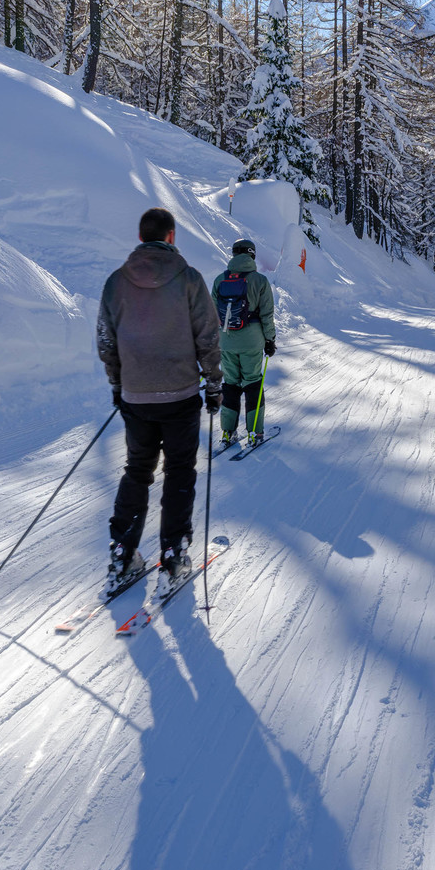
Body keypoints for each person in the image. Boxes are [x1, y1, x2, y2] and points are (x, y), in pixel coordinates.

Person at [96, 206, 221, 591]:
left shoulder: (116, 282)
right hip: (181, 394)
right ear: (170, 237)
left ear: (140, 238)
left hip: (136, 397)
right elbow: (208, 336)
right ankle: (173, 555)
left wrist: (118, 385)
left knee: (137, 470)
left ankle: (122, 554)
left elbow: (106, 340)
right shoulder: (188, 279)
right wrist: (214, 383)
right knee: (179, 471)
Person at [211, 237, 277, 449]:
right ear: (252, 254)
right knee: (253, 383)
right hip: (252, 342)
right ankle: (255, 432)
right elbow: (267, 314)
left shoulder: (220, 280)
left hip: (226, 342)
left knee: (230, 384)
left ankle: (227, 433)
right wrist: (270, 340)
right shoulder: (260, 281)